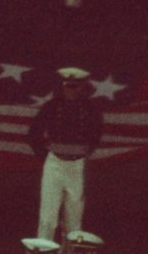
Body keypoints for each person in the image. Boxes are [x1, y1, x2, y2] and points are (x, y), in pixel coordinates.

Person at [29, 68, 104, 243]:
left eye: (75, 86)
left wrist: (83, 152)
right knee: (47, 218)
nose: (71, 90)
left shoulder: (91, 109)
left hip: (77, 166)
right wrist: (45, 154)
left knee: (74, 220)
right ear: (63, 86)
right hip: (55, 163)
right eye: (68, 86)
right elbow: (34, 133)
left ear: (82, 87)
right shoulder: (52, 107)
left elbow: (96, 135)